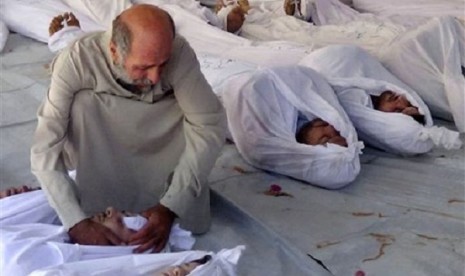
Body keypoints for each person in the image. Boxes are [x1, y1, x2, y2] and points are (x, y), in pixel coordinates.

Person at [30, 3, 226, 254]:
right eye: (144, 67)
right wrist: (75, 222)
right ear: (114, 51)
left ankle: (166, 197)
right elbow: (44, 147)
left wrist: (172, 205)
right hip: (105, 142)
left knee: (194, 109)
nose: (155, 77)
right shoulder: (77, 60)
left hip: (162, 136)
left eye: (162, 64)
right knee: (81, 104)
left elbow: (209, 123)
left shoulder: (178, 52)